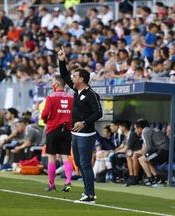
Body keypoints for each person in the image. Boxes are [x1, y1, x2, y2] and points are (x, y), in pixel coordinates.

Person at [58, 46, 103, 203]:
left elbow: (98, 113)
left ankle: (90, 195)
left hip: (86, 135)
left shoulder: (92, 95)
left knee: (85, 164)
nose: (72, 78)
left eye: (75, 76)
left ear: (81, 79)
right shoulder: (77, 91)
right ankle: (87, 191)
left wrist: (84, 122)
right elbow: (63, 75)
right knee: (78, 163)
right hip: (75, 134)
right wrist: (62, 60)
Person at [41, 75, 74, 192]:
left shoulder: (51, 97)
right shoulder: (71, 97)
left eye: (53, 82)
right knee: (66, 157)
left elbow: (44, 114)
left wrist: (46, 121)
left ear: (57, 84)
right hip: (66, 130)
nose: (52, 84)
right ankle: (68, 181)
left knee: (51, 157)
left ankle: (51, 184)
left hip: (53, 129)